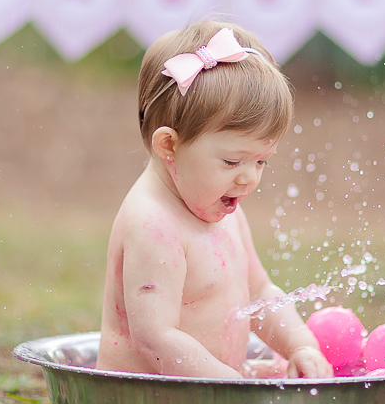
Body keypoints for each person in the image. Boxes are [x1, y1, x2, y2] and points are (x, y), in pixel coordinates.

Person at [97, 20, 332, 379]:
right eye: (232, 161)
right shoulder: (153, 224)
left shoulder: (221, 207)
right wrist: (230, 385)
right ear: (169, 146)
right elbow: (155, 339)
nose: (249, 178)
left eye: (261, 161)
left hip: (216, 392)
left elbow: (260, 293)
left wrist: (300, 345)